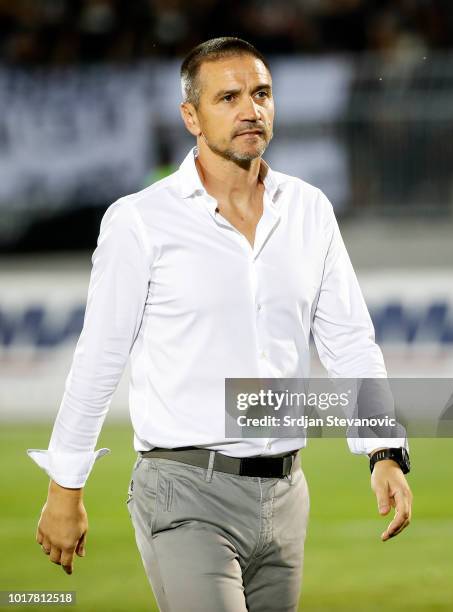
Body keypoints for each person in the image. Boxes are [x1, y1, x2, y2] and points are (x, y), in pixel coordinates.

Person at [28, 37, 413, 612]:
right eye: (228, 97)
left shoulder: (309, 210)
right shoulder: (140, 221)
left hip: (287, 494)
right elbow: (100, 356)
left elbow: (350, 341)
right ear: (191, 116)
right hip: (184, 491)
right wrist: (65, 486)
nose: (250, 110)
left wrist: (384, 449)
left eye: (261, 93)